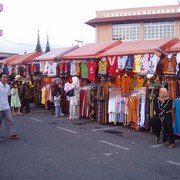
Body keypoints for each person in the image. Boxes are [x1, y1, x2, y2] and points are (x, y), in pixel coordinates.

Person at [0, 73, 20, 141]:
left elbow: (8, 95)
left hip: (6, 106)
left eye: (6, 77)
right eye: (3, 77)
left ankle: (12, 133)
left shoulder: (8, 86)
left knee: (10, 119)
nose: (5, 79)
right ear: (1, 78)